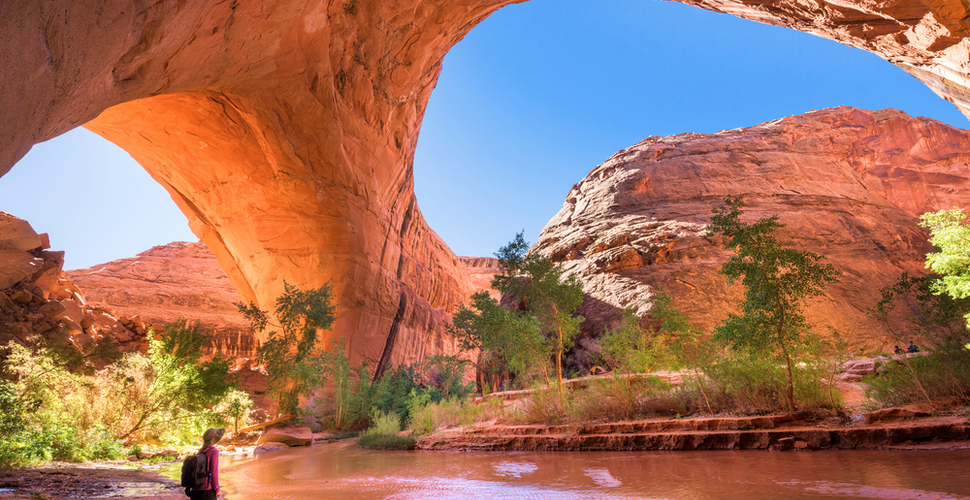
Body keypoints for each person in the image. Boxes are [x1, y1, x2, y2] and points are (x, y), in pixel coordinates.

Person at [187, 427, 224, 499]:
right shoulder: (214, 452)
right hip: (207, 491)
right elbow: (214, 473)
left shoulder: (200, 451)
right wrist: (217, 490)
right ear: (214, 439)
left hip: (194, 490)